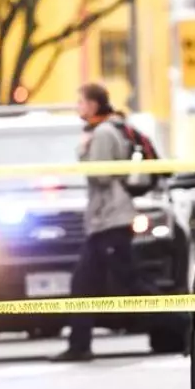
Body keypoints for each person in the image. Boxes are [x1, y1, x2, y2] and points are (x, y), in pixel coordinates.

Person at [51, 83, 141, 362]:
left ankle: (183, 326)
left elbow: (100, 175)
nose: (78, 107)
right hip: (105, 221)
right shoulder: (107, 128)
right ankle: (79, 344)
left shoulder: (101, 132)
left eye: (80, 102)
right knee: (85, 284)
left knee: (130, 286)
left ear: (92, 104)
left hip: (110, 220)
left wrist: (83, 151)